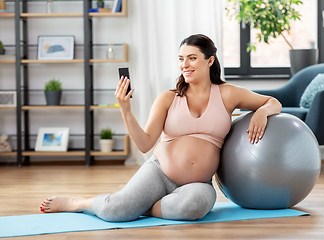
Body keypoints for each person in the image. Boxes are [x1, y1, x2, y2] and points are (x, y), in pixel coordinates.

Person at [40, 34, 282, 221]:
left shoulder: (228, 94)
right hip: (158, 173)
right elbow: (145, 143)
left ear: (210, 60)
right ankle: (79, 203)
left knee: (192, 208)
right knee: (116, 211)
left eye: (191, 58)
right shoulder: (168, 98)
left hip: (198, 184)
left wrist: (261, 111)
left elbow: (275, 102)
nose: (184, 65)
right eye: (181, 59)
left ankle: (142, 207)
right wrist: (125, 109)